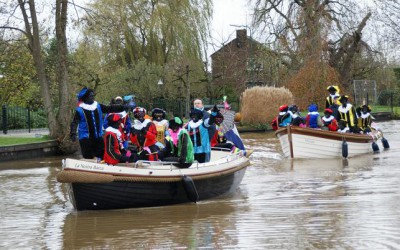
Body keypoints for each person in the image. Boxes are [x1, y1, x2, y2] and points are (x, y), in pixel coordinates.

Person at [70, 87, 126, 159]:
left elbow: (110, 108)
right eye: (91, 96)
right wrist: (73, 134)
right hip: (85, 138)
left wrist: (123, 107)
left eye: (93, 96)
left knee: (102, 155)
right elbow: (74, 123)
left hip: (98, 136)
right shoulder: (79, 110)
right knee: (88, 157)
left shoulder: (98, 106)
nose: (93, 97)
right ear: (86, 98)